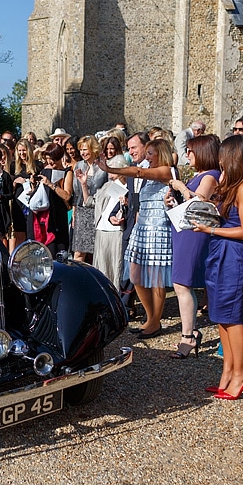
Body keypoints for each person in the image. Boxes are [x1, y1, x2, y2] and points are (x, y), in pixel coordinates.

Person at [193, 135, 243, 400]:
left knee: (232, 316)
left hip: (235, 254)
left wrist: (211, 228)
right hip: (221, 250)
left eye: (224, 157)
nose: (220, 161)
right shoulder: (234, 185)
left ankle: (241, 374)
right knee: (221, 315)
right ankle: (227, 372)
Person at [106, 139, 175, 338]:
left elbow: (138, 172)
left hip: (158, 230)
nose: (147, 157)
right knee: (135, 276)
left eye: (151, 153)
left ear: (161, 154)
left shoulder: (166, 171)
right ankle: (150, 316)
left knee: (156, 279)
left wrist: (111, 168)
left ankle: (154, 321)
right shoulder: (150, 174)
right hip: (142, 229)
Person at [165, 134, 221, 358]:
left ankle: (188, 335)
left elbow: (199, 203)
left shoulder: (211, 175)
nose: (187, 155)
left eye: (190, 151)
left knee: (183, 283)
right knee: (180, 283)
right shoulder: (200, 174)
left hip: (195, 235)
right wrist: (173, 201)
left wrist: (180, 186)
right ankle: (189, 332)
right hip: (184, 232)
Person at [107, 132, 150, 320]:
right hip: (131, 227)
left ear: (145, 147)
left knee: (144, 273)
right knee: (128, 268)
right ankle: (125, 305)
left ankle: (150, 315)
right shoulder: (132, 172)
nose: (130, 151)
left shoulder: (157, 170)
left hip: (150, 228)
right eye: (129, 148)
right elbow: (129, 200)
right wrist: (114, 215)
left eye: (134, 147)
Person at [91, 153, 129, 286]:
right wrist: (84, 185)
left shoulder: (129, 186)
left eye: (112, 169)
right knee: (102, 267)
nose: (109, 172)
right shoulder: (108, 185)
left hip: (116, 232)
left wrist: (126, 204)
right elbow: (91, 201)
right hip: (102, 229)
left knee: (115, 267)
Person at [33, 143, 74, 254]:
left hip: (59, 216)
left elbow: (67, 195)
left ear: (58, 157)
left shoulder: (68, 172)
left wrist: (51, 184)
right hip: (46, 218)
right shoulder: (45, 171)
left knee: (60, 251)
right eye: (47, 159)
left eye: (52, 159)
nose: (50, 162)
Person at [71, 135, 107, 263]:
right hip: (82, 211)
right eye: (80, 150)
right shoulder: (79, 165)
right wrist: (74, 214)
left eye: (85, 149)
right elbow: (76, 193)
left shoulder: (102, 166)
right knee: (79, 251)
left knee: (98, 251)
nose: (82, 152)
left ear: (93, 149)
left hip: (98, 211)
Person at [10, 138, 43, 253]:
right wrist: (14, 183)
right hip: (19, 203)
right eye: (19, 151)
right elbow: (10, 189)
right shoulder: (14, 165)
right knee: (20, 234)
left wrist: (33, 182)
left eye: (24, 150)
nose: (22, 153)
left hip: (32, 203)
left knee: (32, 233)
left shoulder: (38, 165)